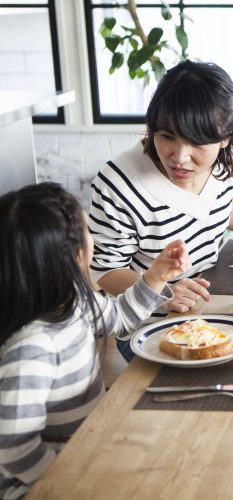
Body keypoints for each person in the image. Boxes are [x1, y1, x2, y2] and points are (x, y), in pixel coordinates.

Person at [0, 183, 188, 497]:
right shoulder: (33, 349)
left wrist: (156, 276)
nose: (94, 238)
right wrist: (65, 480)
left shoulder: (73, 301)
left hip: (87, 451)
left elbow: (121, 315)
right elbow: (11, 444)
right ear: (75, 255)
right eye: (88, 229)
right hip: (43, 486)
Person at [88, 60, 233, 315]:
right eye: (167, 137)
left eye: (197, 143)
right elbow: (106, 271)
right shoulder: (117, 186)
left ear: (225, 138)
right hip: (148, 318)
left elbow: (202, 207)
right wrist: (161, 293)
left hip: (210, 293)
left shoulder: (224, 161)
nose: (180, 158)